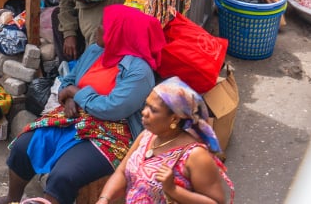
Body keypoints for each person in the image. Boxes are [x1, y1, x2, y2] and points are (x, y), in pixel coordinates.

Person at [3, 5, 164, 204]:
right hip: (74, 115)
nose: (98, 28)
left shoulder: (139, 72)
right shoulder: (97, 50)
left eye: (104, 26)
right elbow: (71, 79)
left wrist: (76, 94)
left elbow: (112, 108)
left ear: (119, 34)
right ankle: (11, 198)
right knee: (23, 146)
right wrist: (70, 97)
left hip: (112, 132)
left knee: (64, 175)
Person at [98, 81, 233, 204]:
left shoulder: (195, 155)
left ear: (174, 119)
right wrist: (105, 198)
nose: (144, 112)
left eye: (153, 110)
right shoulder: (147, 136)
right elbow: (122, 172)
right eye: (146, 105)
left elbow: (216, 202)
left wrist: (173, 190)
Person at [55, 0, 128, 60]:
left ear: (86, 1)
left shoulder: (96, 26)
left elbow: (94, 57)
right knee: (56, 14)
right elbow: (65, 2)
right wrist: (69, 33)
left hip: (102, 44)